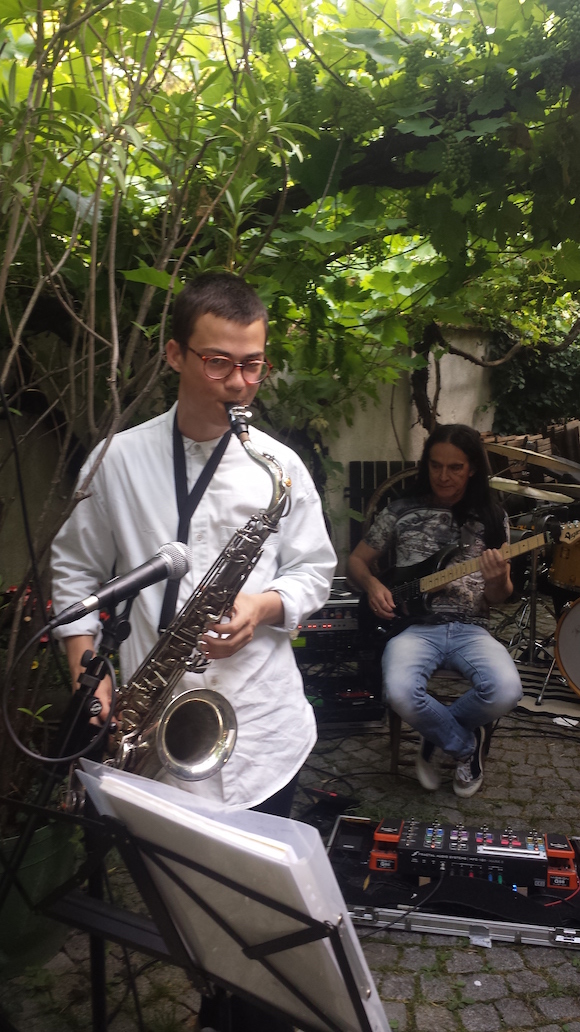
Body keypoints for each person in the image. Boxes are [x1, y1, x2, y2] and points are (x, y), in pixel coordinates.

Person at [51, 271, 337, 1032]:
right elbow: (74, 575)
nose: (239, 384)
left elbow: (315, 570)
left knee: (261, 920)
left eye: (253, 364)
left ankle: (251, 1009)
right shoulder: (117, 460)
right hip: (151, 734)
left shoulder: (279, 466)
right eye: (218, 363)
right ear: (175, 354)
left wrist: (264, 605)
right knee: (187, 908)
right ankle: (216, 995)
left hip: (261, 729)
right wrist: (91, 686)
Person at [347, 423, 522, 798]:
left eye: (455, 467)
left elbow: (499, 596)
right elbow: (356, 562)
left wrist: (499, 578)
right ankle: (464, 744)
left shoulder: (493, 518)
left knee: (507, 690)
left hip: (471, 627)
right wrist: (374, 585)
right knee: (398, 691)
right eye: (435, 465)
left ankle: (435, 734)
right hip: (413, 627)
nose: (443, 476)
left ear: (471, 469)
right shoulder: (400, 511)